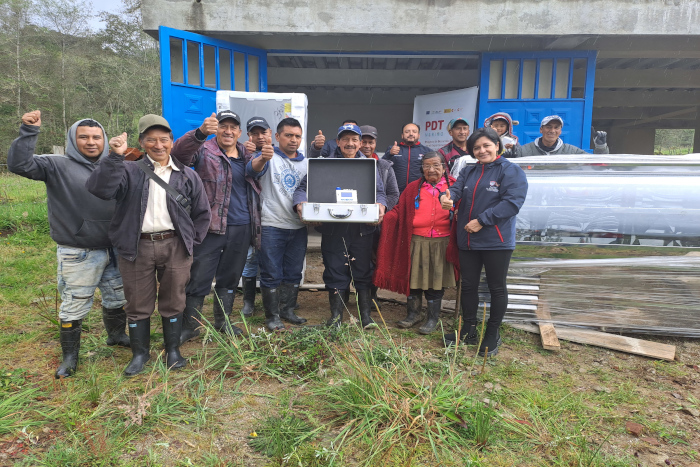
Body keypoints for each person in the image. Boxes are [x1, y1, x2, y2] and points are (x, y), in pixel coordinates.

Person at [8, 110, 130, 379]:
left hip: (116, 248)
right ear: (73, 140)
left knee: (117, 298)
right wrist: (29, 131)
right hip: (79, 251)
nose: (91, 142)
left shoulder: (117, 164)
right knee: (74, 304)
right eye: (83, 137)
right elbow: (19, 165)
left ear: (105, 139)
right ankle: (70, 357)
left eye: (96, 137)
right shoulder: (55, 165)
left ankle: (117, 335)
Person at [86, 114, 210, 376]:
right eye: (151, 140)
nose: (158, 145)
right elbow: (100, 189)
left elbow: (202, 213)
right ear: (142, 143)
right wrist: (116, 156)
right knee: (137, 302)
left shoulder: (186, 175)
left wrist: (190, 242)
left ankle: (173, 351)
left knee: (174, 299)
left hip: (175, 246)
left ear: (172, 142)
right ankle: (140, 354)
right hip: (136, 246)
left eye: (164, 139)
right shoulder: (128, 170)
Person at [169, 110, 262, 344]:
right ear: (216, 129)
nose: (228, 131)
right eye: (223, 126)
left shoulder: (247, 155)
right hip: (209, 227)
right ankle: (191, 326)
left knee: (230, 278)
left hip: (241, 226)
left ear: (240, 132)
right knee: (199, 277)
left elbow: (259, 173)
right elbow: (178, 155)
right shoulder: (203, 151)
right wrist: (199, 133)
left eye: (233, 127)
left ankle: (223, 321)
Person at [440, 127, 528, 357]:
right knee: (468, 285)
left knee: (496, 287)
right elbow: (455, 191)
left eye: (486, 145)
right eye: (476, 147)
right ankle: (468, 329)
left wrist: (482, 221)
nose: (482, 150)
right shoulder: (469, 171)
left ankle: (492, 333)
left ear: (497, 145)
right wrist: (446, 197)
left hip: (495, 240)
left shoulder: (510, 171)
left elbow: (512, 203)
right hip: (468, 239)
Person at [293, 124, 387, 329]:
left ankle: (366, 318)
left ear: (361, 143)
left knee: (362, 272)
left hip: (362, 230)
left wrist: (381, 205)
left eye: (354, 140)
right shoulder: (324, 164)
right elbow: (302, 188)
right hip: (333, 229)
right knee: (335, 271)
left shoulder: (370, 166)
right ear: (338, 142)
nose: (350, 143)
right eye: (345, 139)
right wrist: (300, 204)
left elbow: (380, 192)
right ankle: (336, 317)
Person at [374, 152, 458, 334]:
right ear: (422, 169)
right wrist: (386, 217)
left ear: (444, 167)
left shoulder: (454, 187)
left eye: (436, 165)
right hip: (416, 241)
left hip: (441, 242)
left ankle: (432, 318)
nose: (432, 170)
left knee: (436, 282)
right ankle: (413, 314)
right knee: (414, 280)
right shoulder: (413, 188)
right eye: (427, 166)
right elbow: (399, 209)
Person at [246, 117, 308, 331]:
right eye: (288, 135)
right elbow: (252, 170)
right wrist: (262, 158)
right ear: (277, 136)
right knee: (271, 272)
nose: (293, 140)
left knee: (293, 272)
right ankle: (272, 317)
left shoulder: (307, 162)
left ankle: (287, 310)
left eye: (297, 136)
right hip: (271, 225)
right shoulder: (268, 156)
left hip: (299, 226)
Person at [359, 124, 400, 308]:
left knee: (375, 260)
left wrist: (379, 211)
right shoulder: (346, 162)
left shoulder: (384, 166)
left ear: (376, 144)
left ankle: (371, 297)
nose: (367, 146)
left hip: (376, 224)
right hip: (352, 223)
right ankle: (345, 295)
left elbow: (393, 195)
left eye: (371, 142)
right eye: (364, 142)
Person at [240, 116, 273, 318]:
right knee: (250, 259)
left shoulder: (280, 153)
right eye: (255, 133)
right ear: (249, 136)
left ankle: (280, 302)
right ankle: (248, 302)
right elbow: (251, 172)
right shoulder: (242, 154)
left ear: (271, 134)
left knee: (273, 262)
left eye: (263, 132)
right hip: (252, 216)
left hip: (274, 217)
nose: (260, 137)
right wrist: (245, 153)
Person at [517, 115, 608, 156]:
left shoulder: (571, 151)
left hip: (561, 193)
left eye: (556, 128)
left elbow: (597, 164)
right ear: (541, 129)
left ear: (560, 131)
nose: (552, 131)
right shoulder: (524, 150)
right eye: (548, 127)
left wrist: (601, 147)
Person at [383, 123, 434, 193]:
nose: (411, 134)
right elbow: (381, 166)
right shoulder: (392, 149)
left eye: (414, 132)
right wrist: (389, 153)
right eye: (407, 132)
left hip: (419, 192)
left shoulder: (427, 151)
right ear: (402, 135)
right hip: (395, 192)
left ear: (419, 135)